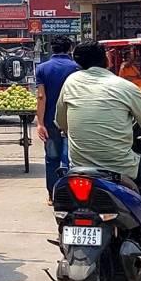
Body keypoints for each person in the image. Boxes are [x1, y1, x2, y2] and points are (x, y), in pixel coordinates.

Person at [54, 41, 141, 252]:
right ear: (107, 59)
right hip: (120, 168)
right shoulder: (125, 87)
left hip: (79, 169)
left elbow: (61, 122)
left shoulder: (71, 82)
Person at [34, 36, 80, 204]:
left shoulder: (42, 68)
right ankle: (69, 194)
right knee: (71, 159)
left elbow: (41, 96)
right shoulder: (77, 68)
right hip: (72, 121)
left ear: (51, 48)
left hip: (50, 122)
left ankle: (52, 195)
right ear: (70, 49)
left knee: (52, 158)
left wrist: (40, 123)